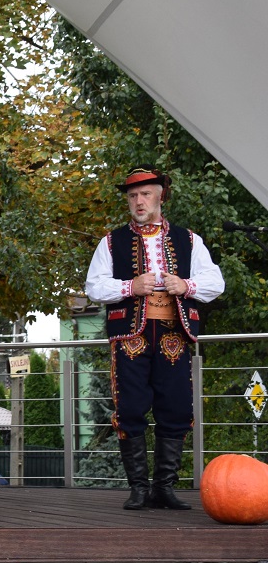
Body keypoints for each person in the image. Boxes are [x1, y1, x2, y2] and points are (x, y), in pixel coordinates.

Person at [84, 166, 224, 510]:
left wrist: (186, 285)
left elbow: (215, 282)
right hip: (130, 335)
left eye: (145, 194)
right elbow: (94, 286)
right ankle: (138, 488)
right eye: (133, 196)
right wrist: (129, 287)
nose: (139, 201)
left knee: (176, 407)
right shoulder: (111, 241)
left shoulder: (189, 240)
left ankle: (164, 488)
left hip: (173, 333)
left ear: (161, 196)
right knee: (130, 407)